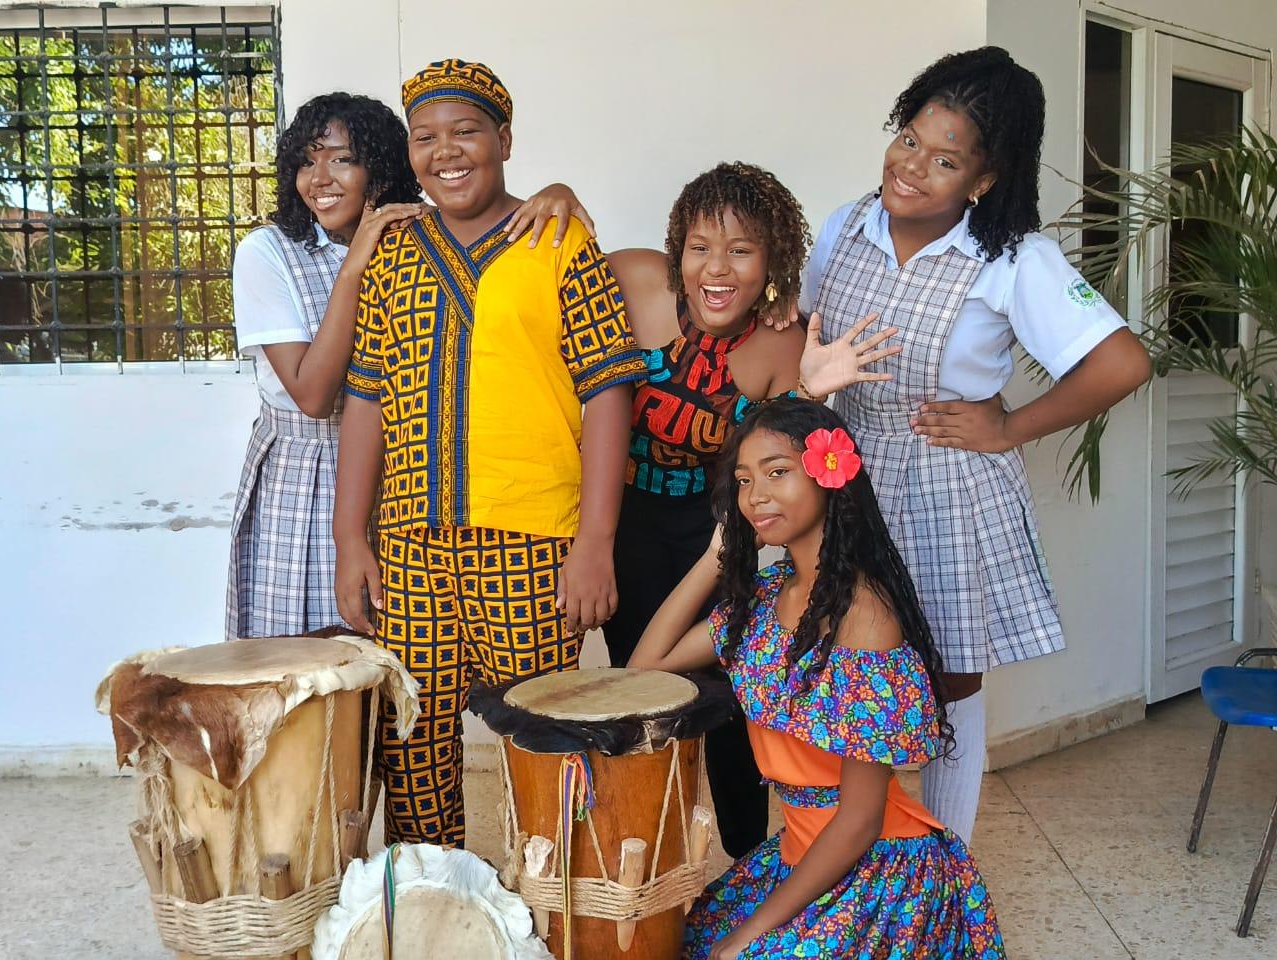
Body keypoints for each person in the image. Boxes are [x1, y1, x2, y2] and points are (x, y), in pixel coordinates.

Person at [798, 47, 1152, 841]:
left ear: (983, 179)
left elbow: (1124, 363)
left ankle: (946, 864)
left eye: (945, 160)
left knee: (948, 681)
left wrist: (1009, 426)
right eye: (909, 140)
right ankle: (846, 859)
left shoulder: (1014, 259)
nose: (912, 167)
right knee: (848, 669)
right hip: (845, 472)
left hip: (946, 483)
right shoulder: (845, 226)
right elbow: (806, 335)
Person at [332, 59, 646, 846]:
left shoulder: (559, 239)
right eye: (425, 137)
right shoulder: (393, 252)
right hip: (410, 546)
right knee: (411, 743)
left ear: (504, 139)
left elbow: (608, 393)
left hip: (533, 543)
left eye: (465, 131)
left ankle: (551, 899)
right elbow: (365, 397)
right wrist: (350, 540)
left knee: (546, 741)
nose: (446, 152)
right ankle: (437, 898)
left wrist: (596, 542)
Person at [630, 397, 1004, 959]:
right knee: (679, 943)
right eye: (744, 480)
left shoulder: (865, 617)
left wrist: (749, 933)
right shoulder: (764, 598)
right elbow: (645, 668)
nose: (756, 495)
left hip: (878, 869)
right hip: (800, 853)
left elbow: (860, 821)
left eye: (777, 472)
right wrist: (716, 557)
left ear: (829, 475)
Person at [604, 162, 898, 857]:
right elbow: (548, 271)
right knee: (636, 692)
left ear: (771, 261)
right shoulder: (632, 280)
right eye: (700, 247)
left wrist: (811, 391)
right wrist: (558, 196)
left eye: (742, 250)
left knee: (727, 695)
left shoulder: (782, 344)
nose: (717, 267)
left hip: (711, 526)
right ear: (676, 249)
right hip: (623, 520)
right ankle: (643, 856)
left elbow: (773, 457)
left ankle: (746, 856)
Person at [226, 92, 586, 640]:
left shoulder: (411, 238)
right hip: (303, 477)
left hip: (403, 480)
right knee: (303, 661)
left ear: (380, 167)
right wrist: (354, 266)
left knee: (386, 664)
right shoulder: (268, 251)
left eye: (342, 159)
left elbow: (486, 222)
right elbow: (314, 395)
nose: (319, 178)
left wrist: (558, 191)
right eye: (305, 161)